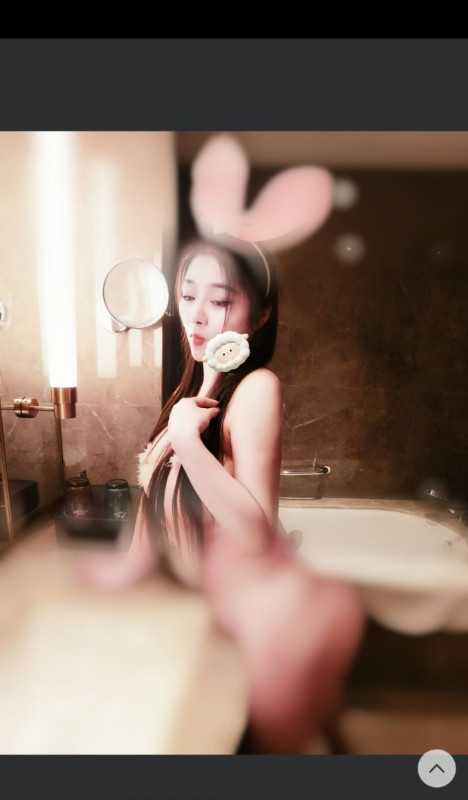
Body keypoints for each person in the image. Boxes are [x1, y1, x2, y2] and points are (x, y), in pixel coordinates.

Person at [75, 234, 364, 754]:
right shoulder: (190, 392)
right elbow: (154, 505)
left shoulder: (256, 388)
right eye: (188, 296)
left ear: (260, 315)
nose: (198, 315)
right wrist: (126, 576)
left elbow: (256, 533)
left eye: (221, 299)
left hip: (240, 622)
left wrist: (188, 442)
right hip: (191, 611)